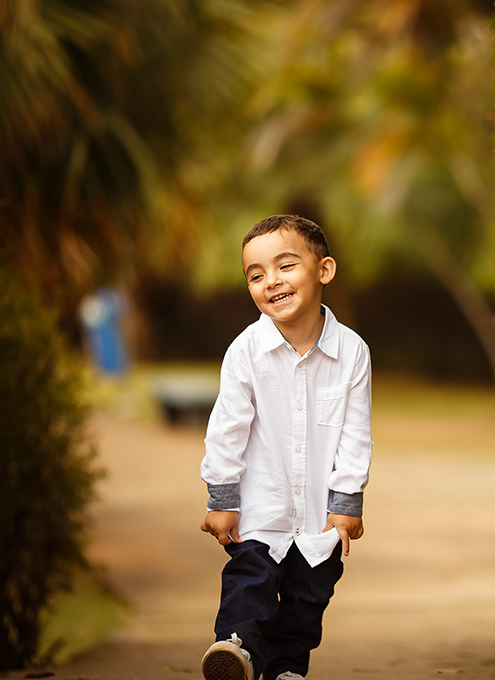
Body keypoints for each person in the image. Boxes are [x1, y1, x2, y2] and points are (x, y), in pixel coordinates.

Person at [198, 214, 372, 680]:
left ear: (324, 270)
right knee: (248, 582)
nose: (270, 281)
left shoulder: (352, 351)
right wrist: (222, 500)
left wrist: (347, 502)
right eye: (256, 275)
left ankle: (287, 670)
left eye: (285, 266)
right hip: (260, 509)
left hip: (319, 518)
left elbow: (355, 434)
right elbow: (226, 430)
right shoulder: (244, 352)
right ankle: (235, 648)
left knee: (307, 598)